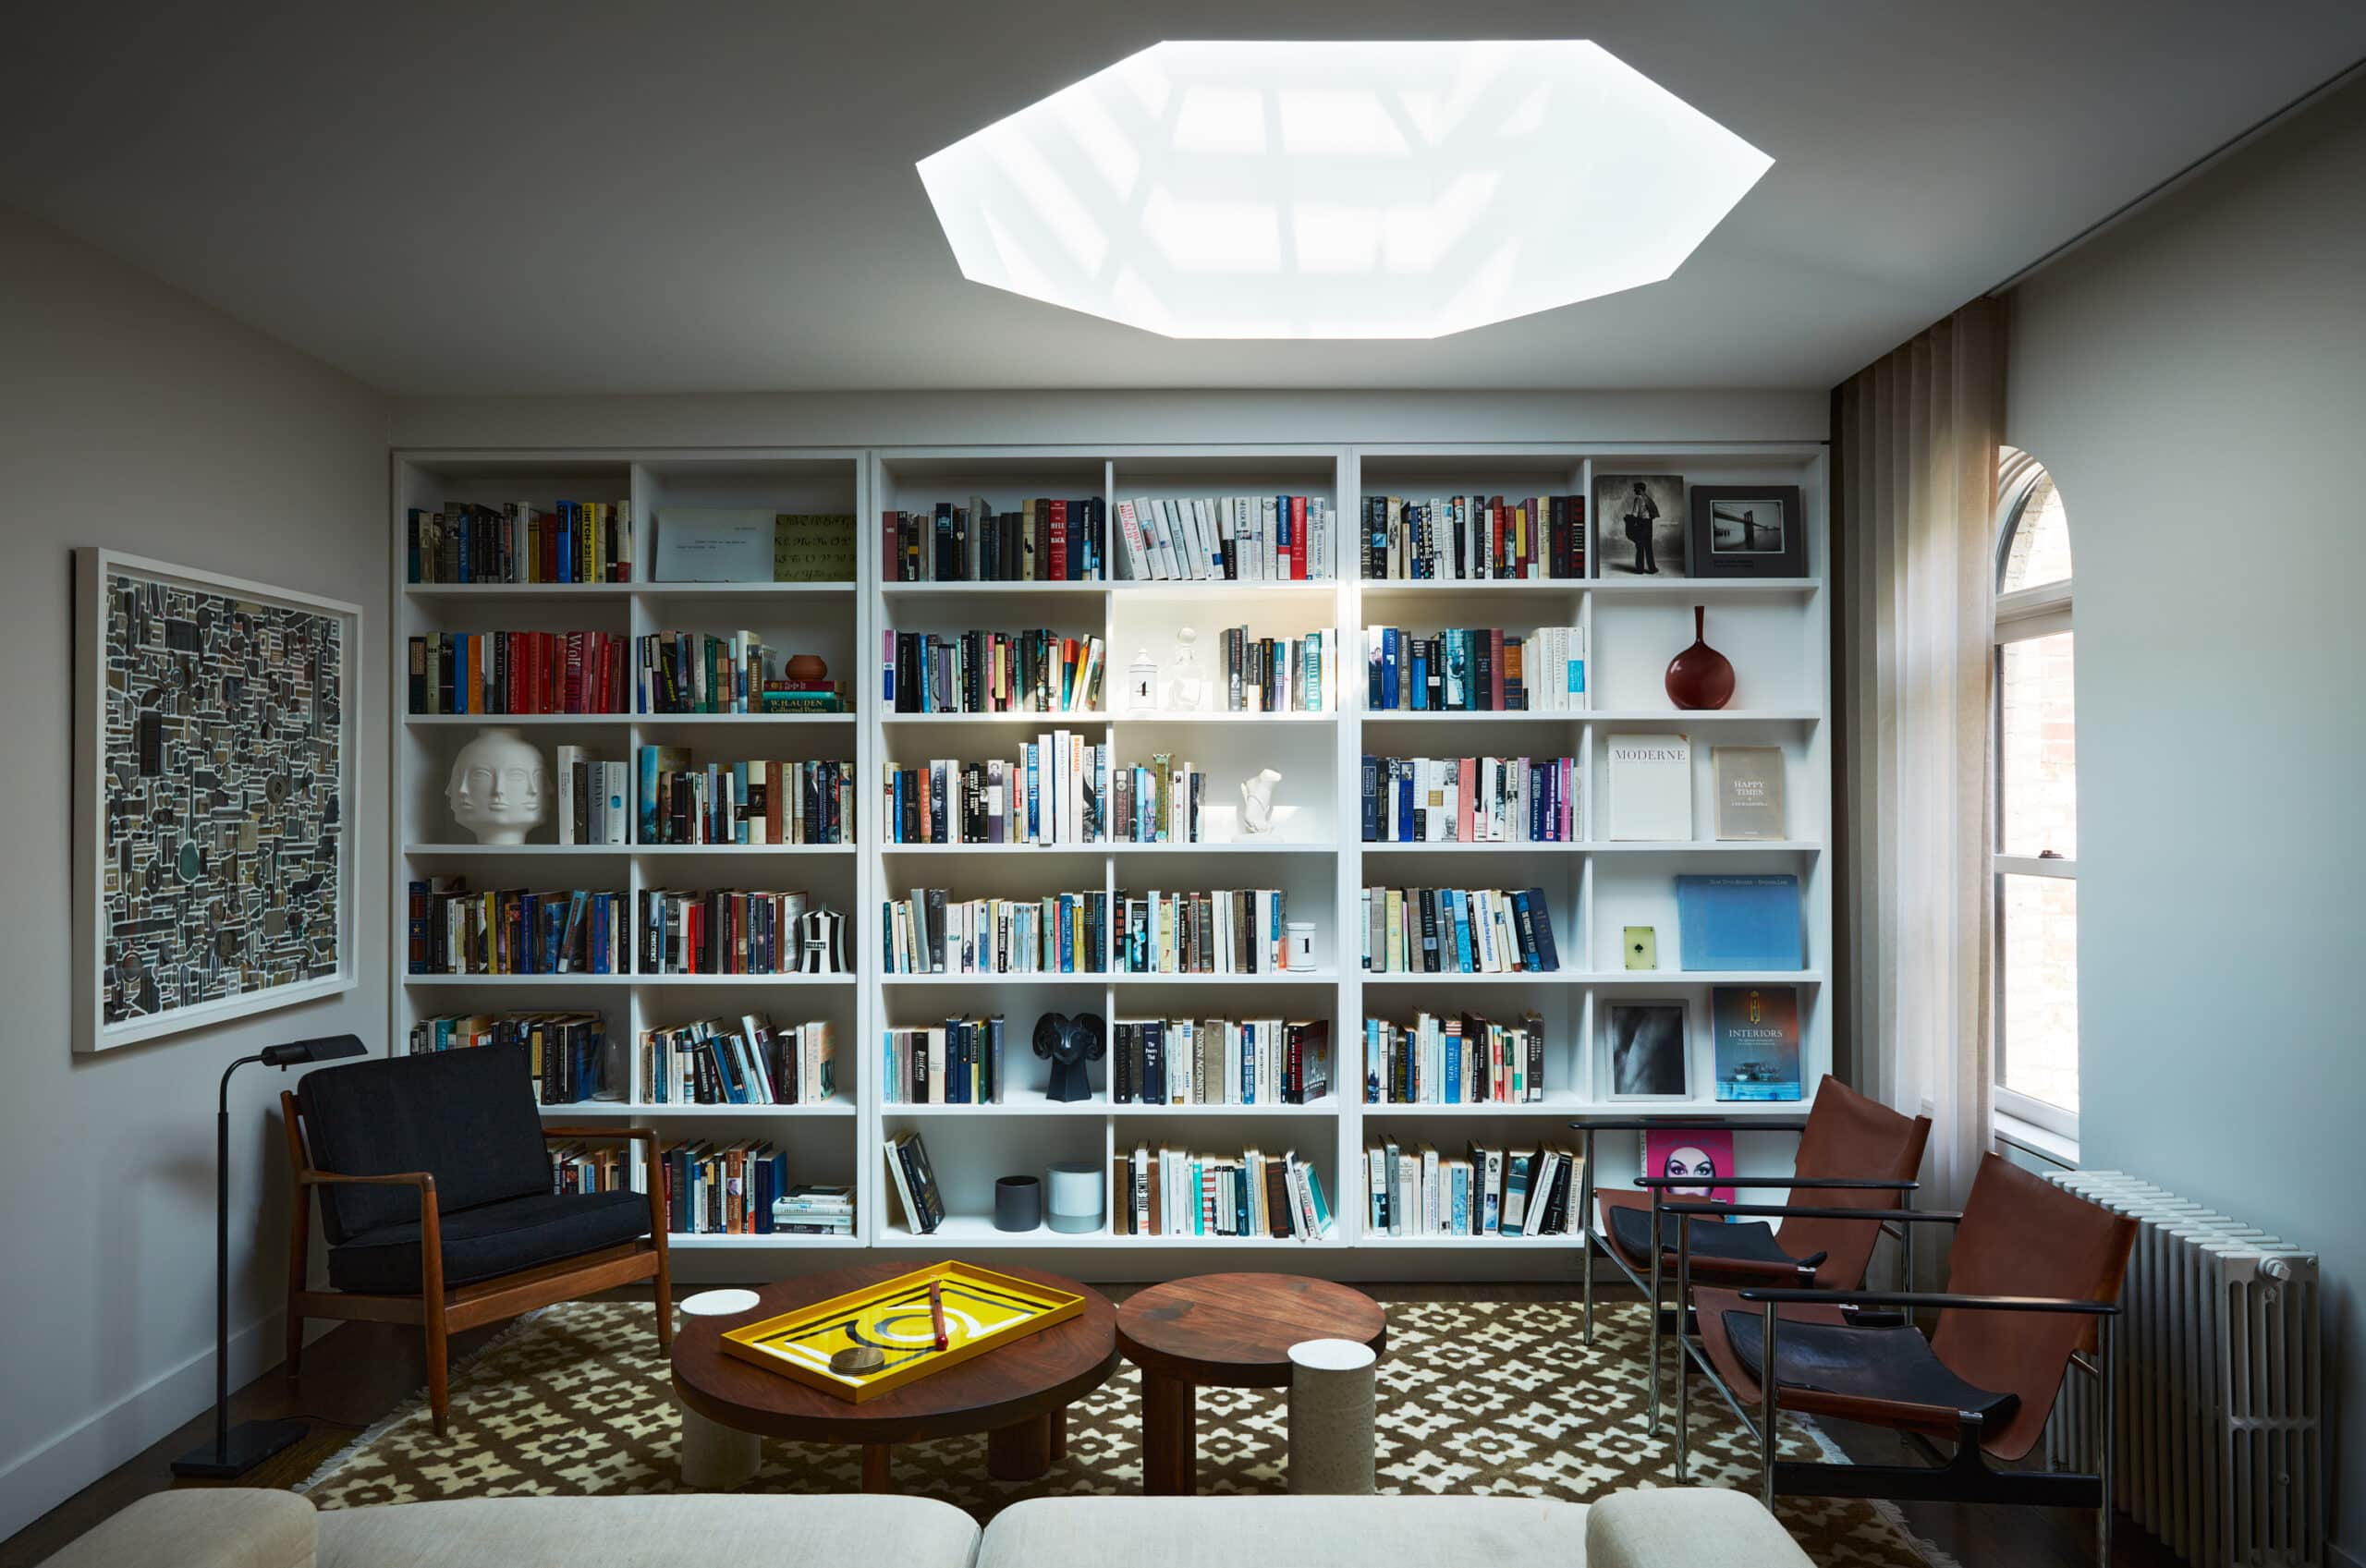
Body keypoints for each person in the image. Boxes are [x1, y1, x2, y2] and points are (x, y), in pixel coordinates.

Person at [1622, 480, 1660, 574]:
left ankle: (1640, 570)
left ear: (1639, 489)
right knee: (1648, 547)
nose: (1634, 490)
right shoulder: (1648, 498)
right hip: (1649, 524)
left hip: (1641, 524)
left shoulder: (1638, 499)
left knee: (1640, 546)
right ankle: (1652, 569)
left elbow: (1635, 514)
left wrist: (1628, 519)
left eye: (1635, 489)